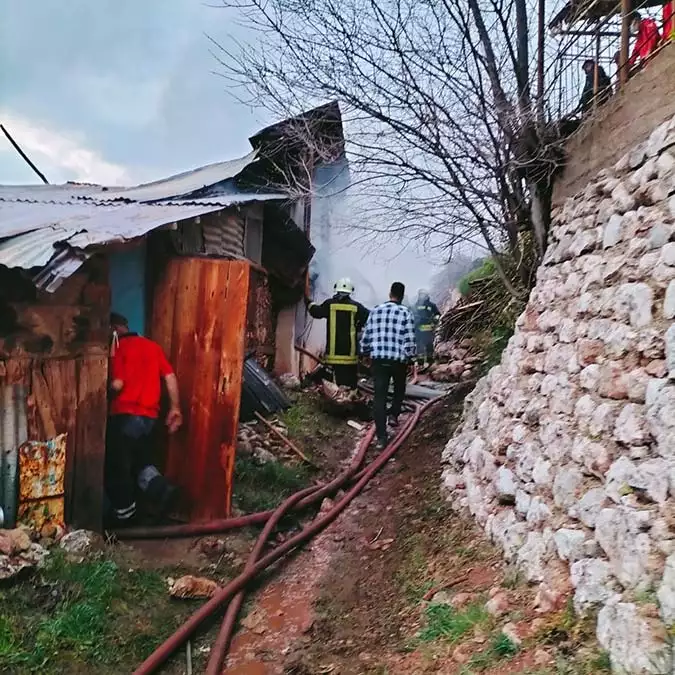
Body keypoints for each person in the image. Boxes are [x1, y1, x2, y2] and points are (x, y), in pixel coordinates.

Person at [106, 312, 183, 525]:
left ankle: (124, 516)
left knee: (116, 465)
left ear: (113, 328)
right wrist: (175, 408)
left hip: (124, 415)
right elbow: (169, 376)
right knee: (140, 460)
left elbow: (118, 384)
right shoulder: (152, 346)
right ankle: (161, 489)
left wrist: (100, 396)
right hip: (149, 418)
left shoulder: (117, 347)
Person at [360, 282, 416, 449]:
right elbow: (410, 339)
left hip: (378, 360)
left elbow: (366, 336)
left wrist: (365, 352)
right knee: (399, 388)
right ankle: (394, 415)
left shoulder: (376, 311)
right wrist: (410, 358)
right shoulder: (406, 313)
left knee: (379, 396)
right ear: (402, 295)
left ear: (390, 293)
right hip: (397, 361)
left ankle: (382, 438)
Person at [306, 278, 370, 389]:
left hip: (333, 355)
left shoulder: (329, 304)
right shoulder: (356, 307)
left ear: (336, 290)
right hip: (350, 355)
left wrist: (309, 303)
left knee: (333, 384)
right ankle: (349, 400)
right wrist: (358, 326)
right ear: (350, 292)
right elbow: (369, 317)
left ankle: (336, 401)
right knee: (350, 384)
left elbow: (316, 312)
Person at [413, 289, 441, 370]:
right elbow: (413, 315)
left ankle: (430, 361)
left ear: (427, 295)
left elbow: (437, 314)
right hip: (418, 329)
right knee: (419, 346)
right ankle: (420, 363)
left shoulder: (432, 305)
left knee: (429, 345)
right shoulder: (416, 305)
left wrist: (435, 320)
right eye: (421, 294)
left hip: (428, 328)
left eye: (424, 294)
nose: (422, 296)